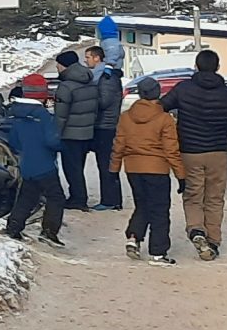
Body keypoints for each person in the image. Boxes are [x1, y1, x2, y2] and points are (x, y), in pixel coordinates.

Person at [158, 48, 227, 259]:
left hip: (189, 151)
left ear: (196, 66)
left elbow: (161, 107)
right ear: (218, 67)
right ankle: (213, 241)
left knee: (193, 194)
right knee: (215, 197)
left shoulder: (183, 89)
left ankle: (196, 230)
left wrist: (175, 128)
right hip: (218, 151)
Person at [110, 75, 181, 265]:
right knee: (159, 210)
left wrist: (114, 169)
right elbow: (171, 150)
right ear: (158, 94)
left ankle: (134, 237)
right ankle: (158, 253)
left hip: (133, 169)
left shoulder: (126, 117)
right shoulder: (165, 119)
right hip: (157, 169)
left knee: (142, 205)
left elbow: (119, 145)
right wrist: (181, 175)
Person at [2, 73, 67, 246]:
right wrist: (62, 144)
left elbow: (14, 142)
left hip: (27, 164)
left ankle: (13, 227)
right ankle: (49, 231)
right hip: (44, 164)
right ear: (42, 93)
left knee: (27, 197)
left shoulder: (16, 114)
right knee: (56, 197)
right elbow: (52, 141)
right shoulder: (43, 115)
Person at [48, 48, 103, 210]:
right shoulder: (89, 81)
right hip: (86, 133)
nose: (57, 67)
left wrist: (55, 134)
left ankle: (78, 199)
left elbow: (61, 115)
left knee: (71, 169)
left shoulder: (66, 86)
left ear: (65, 66)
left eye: (58, 65)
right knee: (78, 168)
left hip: (70, 134)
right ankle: (79, 197)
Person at [83, 42, 125, 210]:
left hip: (106, 127)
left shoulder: (106, 78)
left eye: (88, 57)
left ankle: (111, 200)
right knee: (104, 164)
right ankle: (110, 199)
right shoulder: (101, 76)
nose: (86, 61)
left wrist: (87, 100)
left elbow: (104, 101)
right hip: (102, 125)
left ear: (97, 58)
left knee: (106, 165)